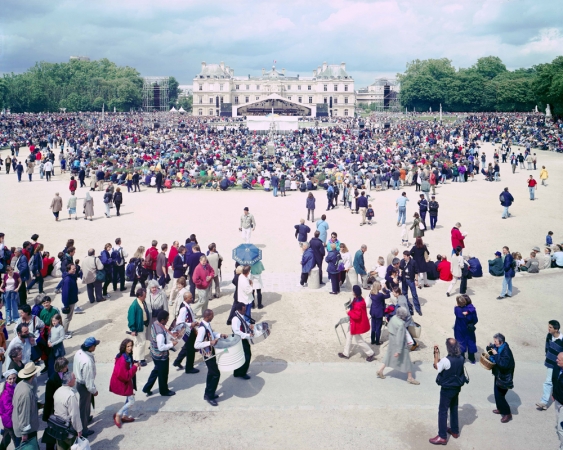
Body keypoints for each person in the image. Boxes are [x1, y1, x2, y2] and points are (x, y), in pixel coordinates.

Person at [428, 339, 467, 445]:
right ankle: (455, 431)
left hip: (447, 388)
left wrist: (436, 353)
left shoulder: (446, 360)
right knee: (454, 408)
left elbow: (437, 367)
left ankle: (442, 436)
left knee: (443, 411)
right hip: (457, 387)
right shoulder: (461, 358)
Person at [377, 307, 420, 385]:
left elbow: (389, 326)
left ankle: (380, 370)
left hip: (392, 339)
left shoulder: (393, 318)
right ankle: (410, 378)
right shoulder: (401, 324)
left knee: (389, 355)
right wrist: (398, 350)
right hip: (399, 343)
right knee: (406, 360)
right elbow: (400, 338)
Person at [194, 309, 228, 406]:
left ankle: (208, 393)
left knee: (211, 373)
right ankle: (210, 396)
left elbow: (211, 334)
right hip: (207, 354)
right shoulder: (202, 329)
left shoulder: (207, 324)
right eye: (212, 315)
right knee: (216, 374)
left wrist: (220, 335)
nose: (213, 317)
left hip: (211, 352)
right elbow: (196, 345)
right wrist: (210, 342)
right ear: (208, 316)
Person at [142, 310, 177, 397]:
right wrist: (172, 344)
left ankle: (147, 388)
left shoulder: (155, 323)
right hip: (161, 356)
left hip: (154, 353)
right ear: (162, 320)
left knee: (156, 371)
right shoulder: (160, 334)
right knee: (163, 374)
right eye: (166, 319)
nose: (167, 321)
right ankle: (164, 391)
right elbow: (161, 347)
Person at [338, 285, 376, 361]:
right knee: (349, 337)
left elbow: (357, 316)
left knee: (359, 340)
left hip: (356, 324)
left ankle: (370, 353)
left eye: (353, 291)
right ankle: (346, 353)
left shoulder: (359, 303)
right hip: (353, 323)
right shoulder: (358, 299)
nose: (352, 292)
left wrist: (349, 312)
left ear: (355, 292)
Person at [73, 336, 99, 437]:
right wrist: (94, 390)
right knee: (83, 408)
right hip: (84, 385)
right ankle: (84, 429)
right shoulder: (87, 362)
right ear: (91, 347)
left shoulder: (79, 352)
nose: (95, 347)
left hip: (79, 382)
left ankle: (86, 418)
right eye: (95, 345)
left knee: (86, 405)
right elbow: (88, 380)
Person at [110, 338, 139, 428]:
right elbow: (125, 376)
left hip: (127, 382)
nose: (130, 348)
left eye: (131, 346)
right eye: (128, 346)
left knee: (128, 398)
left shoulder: (127, 355)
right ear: (124, 347)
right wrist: (134, 367)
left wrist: (135, 364)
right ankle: (118, 414)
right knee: (131, 401)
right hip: (123, 383)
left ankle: (125, 416)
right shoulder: (123, 360)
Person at [487, 333, 515, 423]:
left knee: (500, 396)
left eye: (495, 341)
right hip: (499, 375)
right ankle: (500, 409)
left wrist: (496, 355)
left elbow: (503, 364)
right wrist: (489, 347)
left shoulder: (506, 351)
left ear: (501, 342)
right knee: (496, 393)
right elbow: (492, 351)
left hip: (504, 377)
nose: (494, 343)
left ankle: (507, 413)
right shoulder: (500, 347)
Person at [12, 362, 41, 445]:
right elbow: (24, 414)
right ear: (33, 374)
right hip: (26, 431)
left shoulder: (20, 384)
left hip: (20, 427)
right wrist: (24, 434)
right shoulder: (26, 393)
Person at [536, 320, 562, 411]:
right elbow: (547, 347)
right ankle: (544, 402)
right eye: (549, 326)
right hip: (551, 364)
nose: (548, 329)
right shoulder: (549, 336)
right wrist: (548, 356)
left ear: (556, 329)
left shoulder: (562, 339)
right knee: (548, 382)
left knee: (559, 382)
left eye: (550, 327)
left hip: (560, 366)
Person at [52, 372, 82, 449]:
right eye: (74, 378)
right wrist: (79, 429)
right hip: (68, 430)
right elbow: (74, 415)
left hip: (58, 427)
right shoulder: (70, 396)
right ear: (69, 381)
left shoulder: (57, 391)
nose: (75, 380)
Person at [172, 292, 200, 374]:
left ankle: (177, 361)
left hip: (189, 329)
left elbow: (190, 317)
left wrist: (194, 322)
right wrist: (191, 324)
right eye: (190, 298)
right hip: (187, 331)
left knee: (186, 347)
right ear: (186, 298)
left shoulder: (187, 306)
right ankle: (189, 368)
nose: (192, 299)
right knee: (190, 349)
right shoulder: (184, 309)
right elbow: (179, 322)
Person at [128, 288, 150, 367]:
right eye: (144, 296)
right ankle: (140, 359)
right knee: (142, 343)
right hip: (139, 327)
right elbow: (131, 318)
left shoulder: (142, 302)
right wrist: (133, 329)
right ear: (139, 296)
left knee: (137, 342)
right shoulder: (134, 305)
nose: (145, 297)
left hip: (143, 325)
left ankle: (135, 358)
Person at [232, 302, 254, 379]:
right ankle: (242, 373)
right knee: (247, 355)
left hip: (242, 339)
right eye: (244, 310)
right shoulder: (235, 319)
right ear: (239, 310)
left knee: (241, 356)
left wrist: (249, 325)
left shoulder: (240, 315)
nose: (245, 311)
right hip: (240, 340)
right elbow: (237, 331)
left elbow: (243, 322)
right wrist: (248, 335)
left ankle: (237, 372)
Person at [454, 295, 478, 364]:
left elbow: (456, 308)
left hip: (459, 329)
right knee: (471, 342)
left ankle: (462, 358)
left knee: (460, 342)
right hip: (469, 329)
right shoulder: (472, 310)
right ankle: (472, 358)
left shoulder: (457, 309)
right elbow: (475, 320)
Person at [0, 369, 19, 449]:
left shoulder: (14, 386)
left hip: (7, 420)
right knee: (17, 441)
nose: (12, 380)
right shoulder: (6, 394)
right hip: (10, 420)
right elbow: (9, 410)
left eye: (14, 378)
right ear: (6, 379)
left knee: (6, 438)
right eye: (10, 379)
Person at [399, 250, 421, 316]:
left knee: (414, 294)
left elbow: (416, 272)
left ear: (408, 256)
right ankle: (408, 307)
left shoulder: (413, 262)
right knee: (404, 293)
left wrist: (416, 280)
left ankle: (418, 309)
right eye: (403, 256)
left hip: (411, 279)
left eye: (405, 256)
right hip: (404, 279)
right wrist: (400, 272)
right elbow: (401, 268)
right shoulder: (402, 261)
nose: (404, 257)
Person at [61, 264, 79, 340]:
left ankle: (66, 330)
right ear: (68, 270)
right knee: (67, 318)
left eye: (75, 268)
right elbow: (65, 293)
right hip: (69, 301)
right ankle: (63, 333)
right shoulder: (68, 279)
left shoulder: (71, 277)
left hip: (71, 300)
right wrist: (66, 304)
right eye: (73, 269)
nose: (74, 270)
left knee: (69, 317)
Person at [552, 352, 563, 448]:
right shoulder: (556, 368)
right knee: (558, 421)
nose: (556, 360)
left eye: (559, 359)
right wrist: (553, 393)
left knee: (560, 427)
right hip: (558, 400)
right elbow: (554, 381)